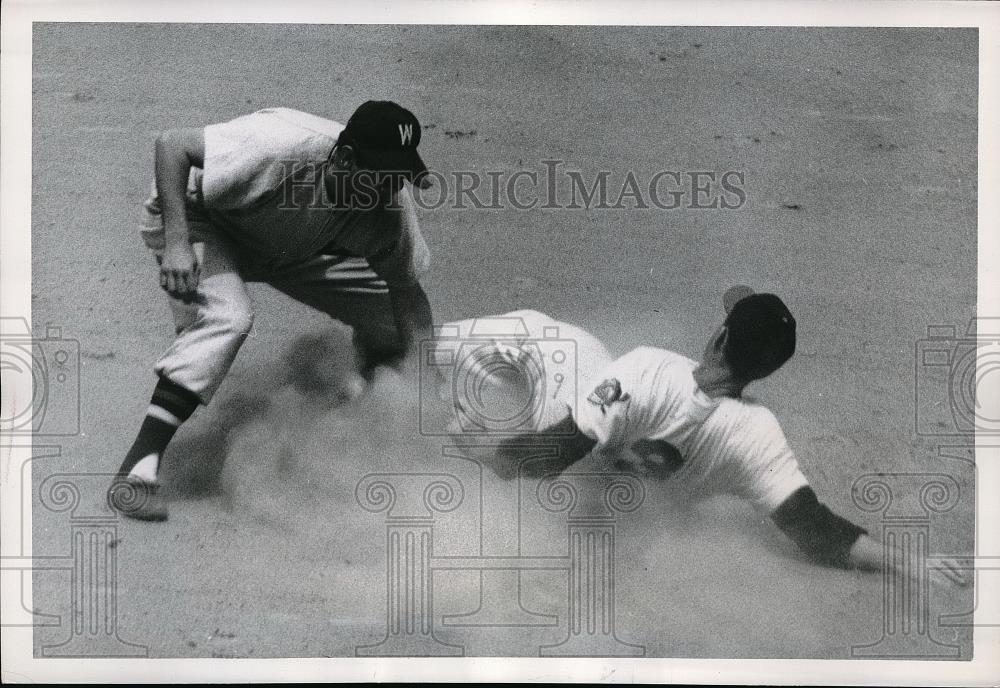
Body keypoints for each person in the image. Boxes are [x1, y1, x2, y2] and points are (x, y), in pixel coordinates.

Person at [441, 290, 968, 584]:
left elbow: (556, 452)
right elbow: (815, 530)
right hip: (623, 513)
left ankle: (401, 357)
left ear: (717, 338)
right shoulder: (759, 436)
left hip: (563, 467)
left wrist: (486, 455)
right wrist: (912, 562)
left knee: (537, 331)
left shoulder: (649, 370)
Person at [109, 102, 434, 521]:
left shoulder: (389, 207)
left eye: (398, 176)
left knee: (389, 323)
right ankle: (136, 470)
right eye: (381, 174)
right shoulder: (282, 146)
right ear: (346, 157)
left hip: (288, 247)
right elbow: (172, 146)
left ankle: (362, 440)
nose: (390, 187)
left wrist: (426, 383)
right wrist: (176, 242)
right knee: (229, 317)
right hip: (200, 218)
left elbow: (407, 291)